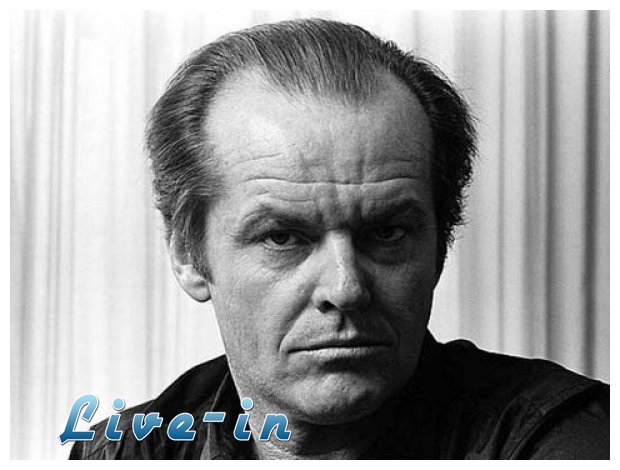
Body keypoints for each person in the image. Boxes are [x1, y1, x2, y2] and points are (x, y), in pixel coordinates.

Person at [69, 18, 609, 459]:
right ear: (189, 254)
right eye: (283, 237)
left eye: (387, 232)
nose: (346, 288)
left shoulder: (567, 443)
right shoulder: (122, 452)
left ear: (440, 244)